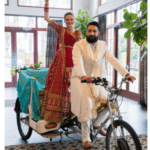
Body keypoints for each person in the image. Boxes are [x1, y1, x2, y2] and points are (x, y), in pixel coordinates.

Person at [70, 21, 135, 149]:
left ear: (98, 32)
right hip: (80, 80)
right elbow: (78, 63)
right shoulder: (79, 45)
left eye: (94, 31)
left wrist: (126, 74)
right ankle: (86, 138)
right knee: (87, 105)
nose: (92, 33)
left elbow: (113, 60)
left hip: (97, 80)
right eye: (89, 31)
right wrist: (83, 76)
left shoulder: (103, 45)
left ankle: (97, 124)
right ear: (86, 32)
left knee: (111, 102)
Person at [41, 0, 82, 129]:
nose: (69, 21)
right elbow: (46, 18)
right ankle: (54, 118)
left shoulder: (78, 33)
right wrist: (47, 3)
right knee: (58, 87)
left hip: (73, 62)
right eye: (67, 20)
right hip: (61, 62)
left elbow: (81, 47)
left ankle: (72, 116)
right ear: (64, 21)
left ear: (74, 20)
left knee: (74, 89)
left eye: (71, 19)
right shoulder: (60, 29)